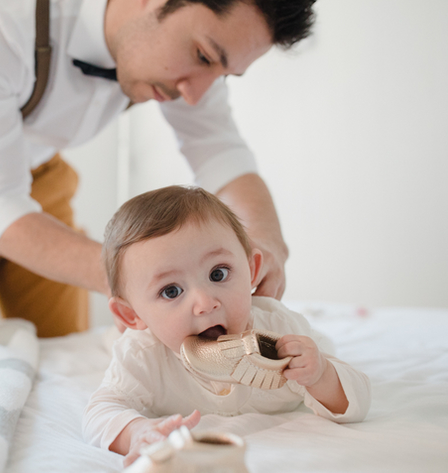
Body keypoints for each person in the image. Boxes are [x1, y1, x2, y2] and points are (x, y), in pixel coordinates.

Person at [0, 0, 317, 344]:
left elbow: (221, 154)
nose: (195, 95)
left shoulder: (186, 61)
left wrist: (266, 242)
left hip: (42, 172)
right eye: (204, 56)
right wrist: (143, 280)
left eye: (221, 74)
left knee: (62, 348)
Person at [82, 185, 371, 466]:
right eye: (171, 291)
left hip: (304, 344)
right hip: (133, 341)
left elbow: (357, 401)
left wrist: (320, 375)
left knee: (322, 347)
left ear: (252, 271)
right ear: (131, 315)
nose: (205, 303)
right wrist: (135, 432)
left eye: (218, 274)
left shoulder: (282, 332)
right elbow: (99, 412)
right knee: (112, 345)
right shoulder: (142, 353)